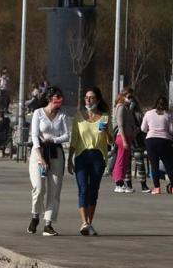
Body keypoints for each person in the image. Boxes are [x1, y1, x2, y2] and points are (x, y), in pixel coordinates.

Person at [68, 87, 112, 236]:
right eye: (86, 97)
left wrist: (106, 131)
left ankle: (89, 222)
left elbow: (111, 141)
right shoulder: (78, 117)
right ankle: (84, 222)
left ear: (97, 100)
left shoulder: (105, 117)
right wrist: (69, 159)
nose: (88, 100)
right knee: (83, 189)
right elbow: (74, 139)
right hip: (81, 155)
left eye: (92, 98)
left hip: (98, 156)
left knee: (93, 190)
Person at [27, 86, 71, 237]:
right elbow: (34, 135)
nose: (59, 100)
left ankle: (48, 224)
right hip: (39, 153)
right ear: (50, 98)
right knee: (39, 188)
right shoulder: (38, 113)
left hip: (56, 153)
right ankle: (35, 215)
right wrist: (40, 157)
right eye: (56, 97)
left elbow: (66, 135)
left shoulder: (63, 116)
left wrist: (54, 139)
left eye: (61, 97)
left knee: (55, 190)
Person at [141, 96, 173, 194]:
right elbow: (171, 131)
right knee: (168, 164)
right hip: (164, 141)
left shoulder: (148, 113)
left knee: (154, 165)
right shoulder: (168, 115)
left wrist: (151, 130)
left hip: (151, 140)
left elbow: (143, 128)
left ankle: (157, 188)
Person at [112, 87, 140, 193]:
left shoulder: (127, 108)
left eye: (132, 96)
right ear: (123, 96)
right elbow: (120, 125)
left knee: (125, 161)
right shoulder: (121, 108)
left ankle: (122, 181)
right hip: (122, 137)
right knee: (121, 160)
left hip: (128, 136)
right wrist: (124, 140)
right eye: (129, 96)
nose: (131, 98)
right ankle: (118, 183)